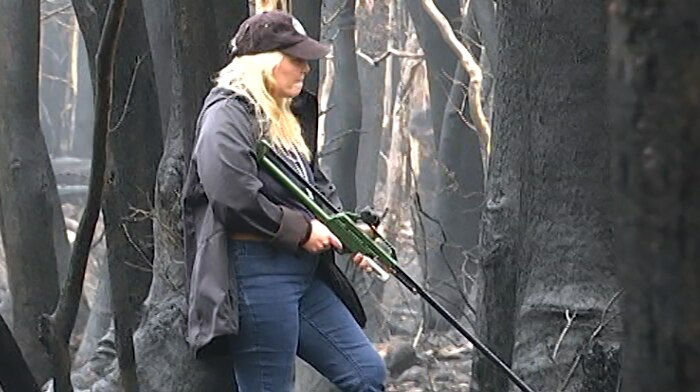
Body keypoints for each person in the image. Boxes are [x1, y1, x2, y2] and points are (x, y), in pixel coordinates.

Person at [182, 10, 387, 392]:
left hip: (304, 274)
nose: (306, 69)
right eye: (296, 59)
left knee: (366, 373)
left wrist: (347, 229)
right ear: (266, 63)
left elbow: (311, 184)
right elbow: (232, 194)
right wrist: (302, 229)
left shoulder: (282, 115)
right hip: (256, 271)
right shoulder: (226, 114)